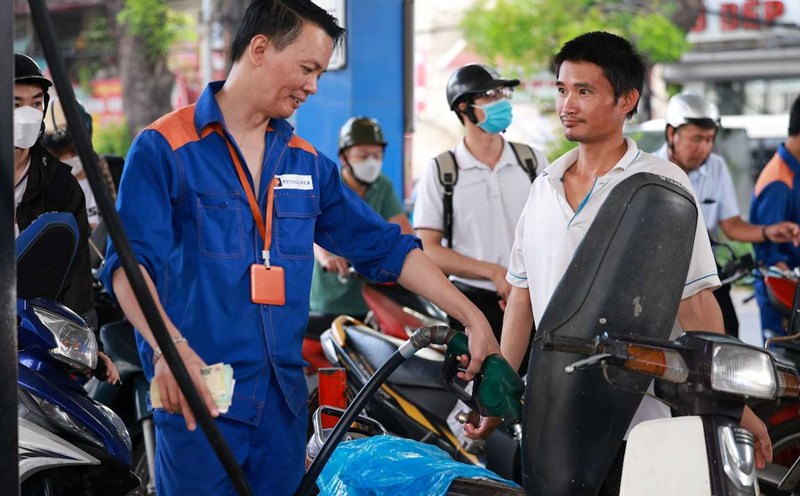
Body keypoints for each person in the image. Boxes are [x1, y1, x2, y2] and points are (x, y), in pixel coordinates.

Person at [99, 2, 498, 494]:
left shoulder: (307, 164)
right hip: (199, 400)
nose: (313, 86)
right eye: (307, 69)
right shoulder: (165, 147)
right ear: (261, 49)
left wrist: (470, 317)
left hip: (282, 408)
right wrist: (170, 350)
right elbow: (129, 267)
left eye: (320, 73)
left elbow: (386, 247)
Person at [463, 31, 772, 490]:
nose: (568, 104)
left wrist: (732, 405)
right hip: (553, 417)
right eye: (563, 90)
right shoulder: (544, 185)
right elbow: (523, 300)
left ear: (627, 100)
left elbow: (697, 305)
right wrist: (497, 398)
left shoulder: (659, 186)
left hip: (639, 420)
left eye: (584, 91)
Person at [413, 63, 549, 348]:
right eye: (490, 95)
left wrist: (522, 280)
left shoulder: (533, 163)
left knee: (536, 389)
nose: (501, 102)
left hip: (535, 299)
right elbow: (430, 249)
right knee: (477, 389)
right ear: (464, 107)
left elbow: (554, 232)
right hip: (469, 305)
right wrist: (494, 273)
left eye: (502, 94)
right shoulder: (442, 170)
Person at [653, 92, 800, 338]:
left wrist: (767, 232)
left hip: (703, 270)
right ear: (671, 134)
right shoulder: (651, 171)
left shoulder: (716, 168)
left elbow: (731, 225)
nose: (705, 148)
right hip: (659, 272)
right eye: (697, 139)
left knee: (728, 338)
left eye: (710, 140)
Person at [13, 53, 118, 384]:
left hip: (36, 340)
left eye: (35, 102)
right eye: (15, 103)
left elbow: (76, 280)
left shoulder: (60, 185)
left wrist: (87, 346)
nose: (27, 114)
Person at [309, 116, 413, 324]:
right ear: (344, 157)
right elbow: (312, 230)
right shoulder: (329, 184)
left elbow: (403, 229)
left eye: (376, 155)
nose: (371, 162)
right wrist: (327, 259)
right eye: (363, 155)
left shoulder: (382, 186)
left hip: (372, 298)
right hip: (330, 299)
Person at [750, 94, 800, 340]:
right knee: (786, 373)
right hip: (783, 298)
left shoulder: (793, 171)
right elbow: (771, 257)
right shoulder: (779, 183)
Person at [43, 97, 119, 231]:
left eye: (73, 150)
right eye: (58, 153)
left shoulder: (115, 172)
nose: (67, 157)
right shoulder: (37, 189)